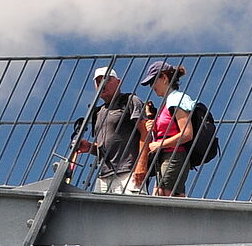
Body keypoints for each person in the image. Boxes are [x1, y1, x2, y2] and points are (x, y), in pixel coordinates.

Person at [69, 66, 147, 192]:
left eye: (107, 80)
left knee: (131, 211)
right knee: (99, 212)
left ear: (118, 82)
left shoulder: (130, 100)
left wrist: (141, 165)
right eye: (98, 81)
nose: (102, 84)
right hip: (104, 176)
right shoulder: (98, 112)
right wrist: (89, 147)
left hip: (128, 173)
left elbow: (145, 132)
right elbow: (104, 146)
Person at [133, 61, 201, 197]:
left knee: (164, 199)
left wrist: (159, 144)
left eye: (153, 81)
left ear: (164, 78)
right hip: (166, 157)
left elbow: (187, 134)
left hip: (174, 156)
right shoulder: (168, 102)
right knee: (165, 197)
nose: (151, 86)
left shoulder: (176, 99)